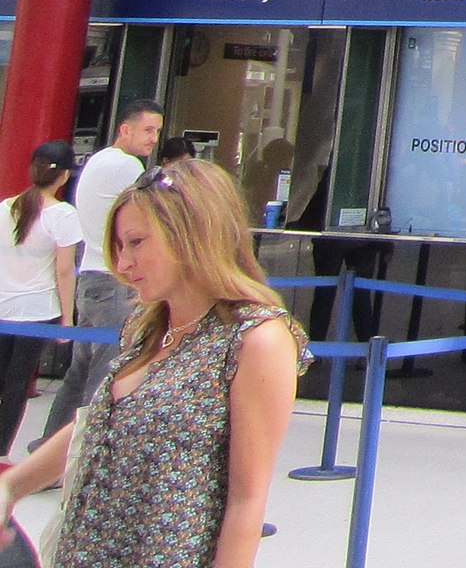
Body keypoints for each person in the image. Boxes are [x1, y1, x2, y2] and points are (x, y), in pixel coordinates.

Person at [0, 158, 306, 568]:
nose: (123, 264)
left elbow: (247, 499)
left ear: (192, 236)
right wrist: (11, 488)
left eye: (137, 243)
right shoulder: (146, 327)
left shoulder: (255, 338)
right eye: (120, 247)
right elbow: (96, 424)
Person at [42, 100, 161, 441]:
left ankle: (50, 451)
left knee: (79, 373)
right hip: (112, 281)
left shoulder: (98, 161)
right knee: (105, 374)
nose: (153, 138)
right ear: (126, 129)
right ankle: (84, 453)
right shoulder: (126, 167)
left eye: (157, 131)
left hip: (90, 277)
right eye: (148, 130)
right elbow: (156, 212)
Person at [0, 143, 79, 456]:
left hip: (3, 307)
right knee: (17, 384)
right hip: (37, 310)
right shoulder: (63, 215)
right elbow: (64, 271)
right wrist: (68, 320)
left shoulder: (6, 207)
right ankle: (2, 449)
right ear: (64, 176)